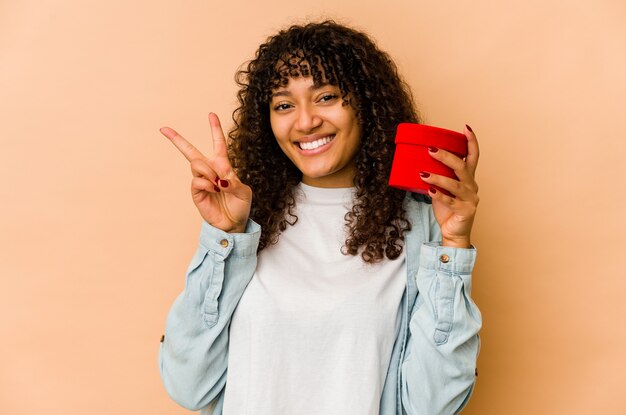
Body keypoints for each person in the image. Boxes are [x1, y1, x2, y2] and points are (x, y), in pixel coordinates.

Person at [158, 20, 482, 415]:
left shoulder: (418, 225)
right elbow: (188, 385)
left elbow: (431, 406)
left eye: (326, 96)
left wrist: (453, 245)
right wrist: (224, 237)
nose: (305, 120)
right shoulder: (246, 221)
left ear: (366, 103)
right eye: (283, 105)